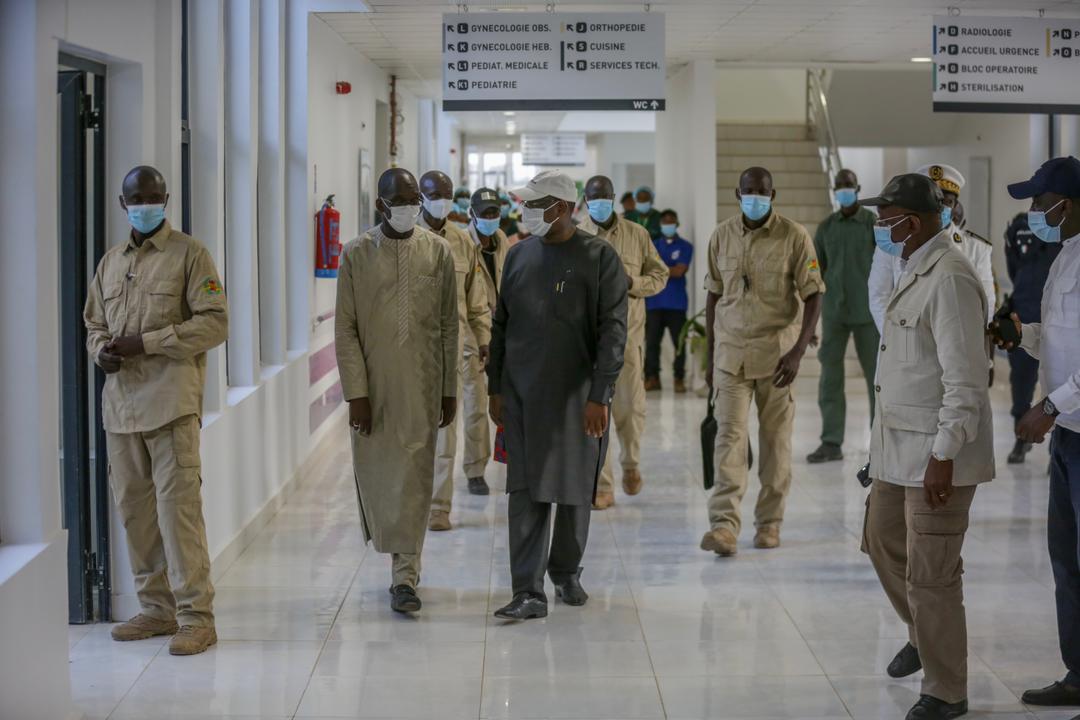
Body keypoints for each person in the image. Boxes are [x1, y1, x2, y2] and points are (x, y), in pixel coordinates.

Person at [860, 173, 994, 720]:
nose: (880, 228)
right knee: (880, 539)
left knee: (932, 572)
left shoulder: (952, 278)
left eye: (885, 219)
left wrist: (944, 456)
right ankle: (923, 631)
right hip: (896, 448)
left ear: (910, 223)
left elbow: (966, 380)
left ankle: (946, 689)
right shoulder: (914, 267)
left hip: (938, 455)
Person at [84, 165, 228, 655]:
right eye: (136, 198)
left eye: (153, 196)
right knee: (136, 515)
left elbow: (214, 324)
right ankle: (156, 609)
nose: (145, 204)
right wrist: (100, 348)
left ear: (166, 199)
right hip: (120, 412)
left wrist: (147, 342)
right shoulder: (109, 262)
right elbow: (93, 323)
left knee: (178, 514)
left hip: (171, 408)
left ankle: (196, 617)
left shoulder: (190, 255)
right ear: (123, 205)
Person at [488, 170, 627, 620]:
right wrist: (495, 385)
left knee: (572, 491)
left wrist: (599, 394)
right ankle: (527, 590)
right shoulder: (518, 255)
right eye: (526, 204)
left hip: (577, 396)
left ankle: (565, 571)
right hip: (523, 394)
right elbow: (501, 325)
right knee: (525, 492)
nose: (526, 212)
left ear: (565, 209)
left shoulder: (599, 257)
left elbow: (612, 331)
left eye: (536, 204)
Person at [335, 168, 458, 614]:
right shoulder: (355, 254)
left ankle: (405, 576)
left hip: (423, 385)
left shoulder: (438, 252)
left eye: (413, 201)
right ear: (381, 205)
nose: (409, 208)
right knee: (379, 475)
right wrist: (356, 394)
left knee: (416, 476)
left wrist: (448, 390)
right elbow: (346, 329)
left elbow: (448, 325)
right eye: (400, 201)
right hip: (373, 389)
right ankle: (394, 556)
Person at [992, 157, 1080, 711]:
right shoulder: (1065, 256)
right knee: (1067, 562)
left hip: (1071, 421)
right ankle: (1077, 673)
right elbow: (1061, 340)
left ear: (1065, 204)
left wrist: (1047, 405)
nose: (1033, 214)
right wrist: (1020, 336)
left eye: (1039, 202)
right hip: (1070, 436)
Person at [700, 167, 824, 556]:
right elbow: (713, 295)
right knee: (729, 439)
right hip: (731, 356)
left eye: (763, 191)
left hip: (777, 358)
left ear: (774, 193)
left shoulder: (795, 236)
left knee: (775, 444)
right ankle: (723, 526)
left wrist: (799, 350)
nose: (756, 196)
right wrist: (710, 352)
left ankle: (769, 522)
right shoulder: (721, 235)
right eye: (749, 191)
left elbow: (814, 294)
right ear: (737, 194)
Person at [580, 175, 668, 509]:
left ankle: (631, 463)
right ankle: (601, 484)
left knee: (630, 410)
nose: (599, 203)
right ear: (585, 201)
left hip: (628, 339)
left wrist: (634, 282)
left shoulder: (637, 234)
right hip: (587, 341)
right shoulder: (576, 236)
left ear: (614, 199)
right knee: (594, 411)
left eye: (604, 197)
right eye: (593, 198)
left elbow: (659, 276)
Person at [418, 172, 491, 533]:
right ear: (421, 196)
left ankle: (438, 507)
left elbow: (477, 302)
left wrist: (483, 340)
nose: (441, 201)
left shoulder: (463, 243)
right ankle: (407, 503)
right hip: (410, 355)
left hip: (457, 350)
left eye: (447, 195)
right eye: (435, 194)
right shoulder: (401, 239)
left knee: (448, 433)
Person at [807, 169, 879, 464]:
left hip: (869, 314)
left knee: (879, 381)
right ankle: (831, 441)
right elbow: (815, 275)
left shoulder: (874, 225)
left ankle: (882, 444)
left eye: (848, 186)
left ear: (858, 188)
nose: (844, 191)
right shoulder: (826, 228)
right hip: (834, 313)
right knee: (830, 379)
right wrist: (809, 322)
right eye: (839, 187)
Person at [1002, 211, 1061, 463]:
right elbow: (1014, 269)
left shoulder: (1067, 230)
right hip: (1024, 315)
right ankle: (1021, 439)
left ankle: (1055, 448)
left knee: (1059, 383)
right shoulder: (1019, 227)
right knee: (1021, 382)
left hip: (1057, 319)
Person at [645, 209, 694, 393]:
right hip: (654, 303)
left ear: (677, 224)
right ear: (660, 225)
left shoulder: (685, 246)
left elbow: (680, 271)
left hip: (676, 305)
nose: (668, 225)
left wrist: (658, 270)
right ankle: (652, 377)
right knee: (651, 344)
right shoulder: (653, 245)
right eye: (665, 222)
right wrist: (667, 270)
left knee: (679, 344)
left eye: (671, 221)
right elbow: (649, 269)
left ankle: (678, 378)